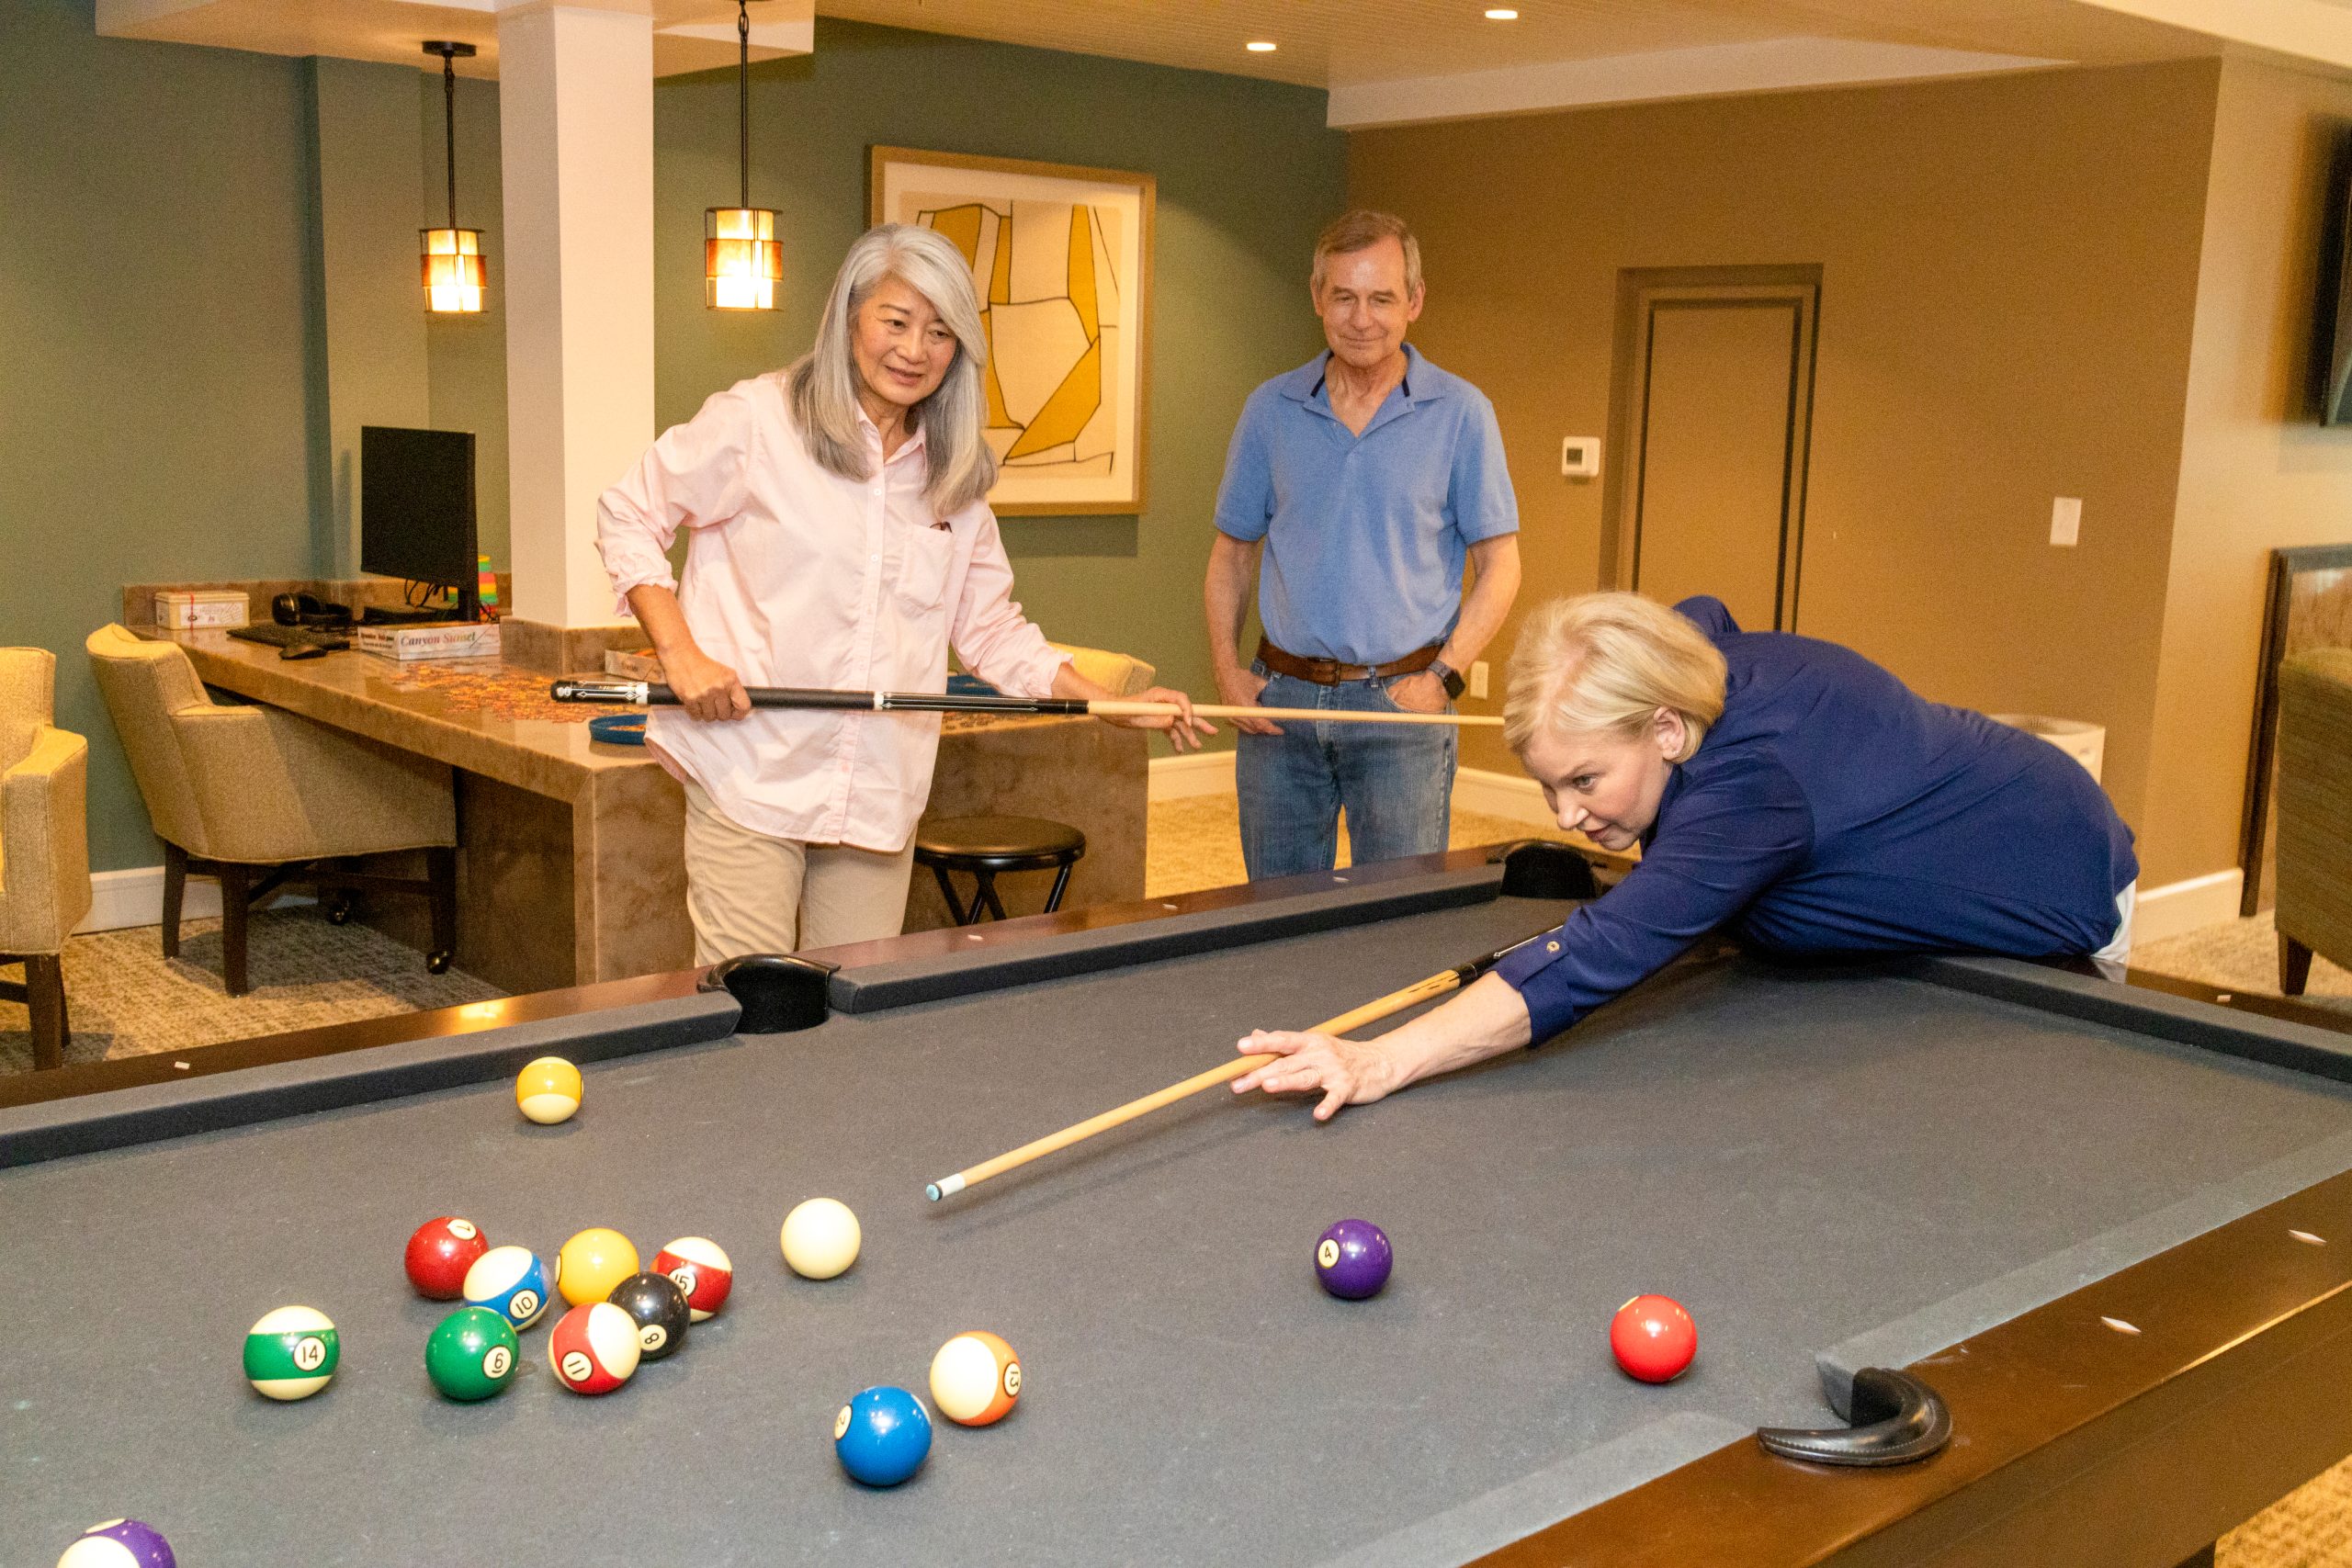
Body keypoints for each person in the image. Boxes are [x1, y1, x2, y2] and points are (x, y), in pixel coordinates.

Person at [1230, 591, 2139, 1120]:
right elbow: (1697, 611)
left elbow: (1597, 954)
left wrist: (1382, 1060)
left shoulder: (1751, 788)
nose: (1568, 815)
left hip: (2058, 882)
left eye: (1586, 780)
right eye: (1549, 788)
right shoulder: (1684, 669)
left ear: (1667, 727)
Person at [597, 224, 1209, 963]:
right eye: (896, 321)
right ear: (849, 318)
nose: (915, 350)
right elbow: (629, 512)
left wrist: (1100, 701)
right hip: (750, 768)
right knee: (750, 998)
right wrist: (680, 654)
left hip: (877, 789)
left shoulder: (955, 477)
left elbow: (991, 630)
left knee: (854, 1001)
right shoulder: (758, 421)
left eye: (941, 332)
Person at [1204, 209, 1521, 880]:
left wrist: (1444, 677)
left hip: (1401, 709)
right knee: (1275, 916)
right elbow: (1232, 554)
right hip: (1281, 704)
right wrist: (1228, 673)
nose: (1361, 318)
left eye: (1381, 298)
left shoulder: (1463, 414)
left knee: (1395, 919)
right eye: (1343, 296)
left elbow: (1501, 565)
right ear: (1318, 297)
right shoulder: (1271, 408)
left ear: (1415, 301)